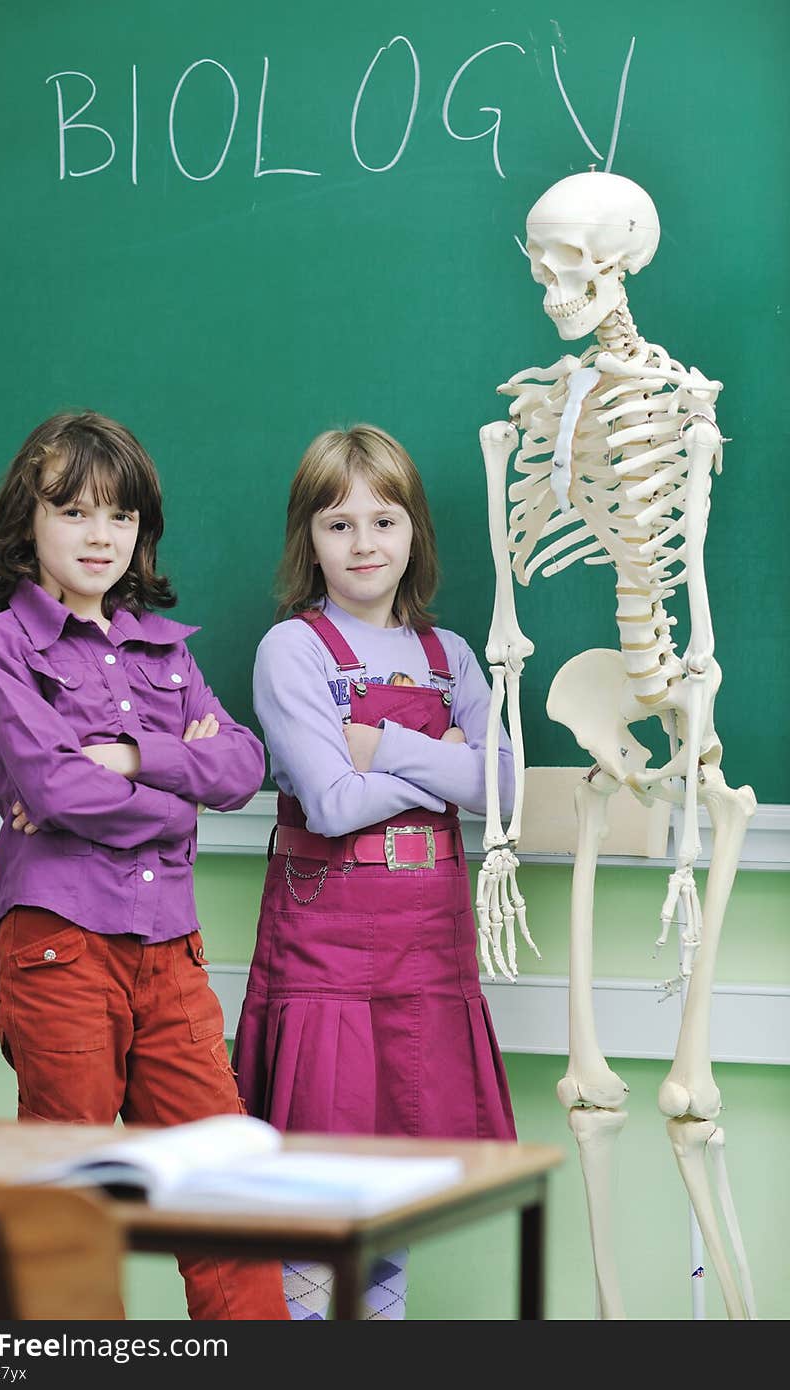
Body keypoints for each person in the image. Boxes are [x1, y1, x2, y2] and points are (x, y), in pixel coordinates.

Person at [0, 410, 289, 1321]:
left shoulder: (166, 650)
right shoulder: (2, 648)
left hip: (171, 954)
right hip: (60, 949)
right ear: (27, 523)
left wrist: (137, 757)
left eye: (121, 516)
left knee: (223, 1192)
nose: (100, 535)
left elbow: (246, 766)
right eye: (73, 512)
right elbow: (59, 792)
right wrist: (176, 794)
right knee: (72, 1200)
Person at [232, 424, 516, 1320]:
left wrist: (379, 743)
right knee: (321, 1186)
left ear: (414, 534)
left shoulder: (454, 655)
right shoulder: (294, 651)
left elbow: (506, 787)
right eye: (338, 523)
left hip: (426, 948)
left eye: (384, 521)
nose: (363, 544)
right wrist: (443, 759)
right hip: (327, 951)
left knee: (392, 1186)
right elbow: (331, 806)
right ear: (306, 541)